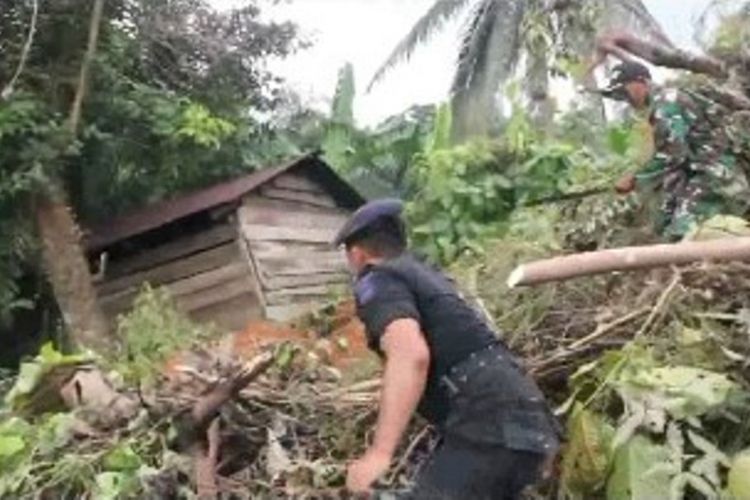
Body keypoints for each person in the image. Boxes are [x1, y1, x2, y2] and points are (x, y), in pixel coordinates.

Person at [334, 199, 559, 500]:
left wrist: (379, 453)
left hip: (488, 425)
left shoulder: (378, 279)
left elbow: (410, 355)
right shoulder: (429, 277)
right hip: (529, 422)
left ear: (358, 255)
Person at [600, 61, 750, 239]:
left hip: (718, 178)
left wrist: (635, 178)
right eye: (617, 95)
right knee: (667, 226)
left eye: (623, 91)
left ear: (642, 82)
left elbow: (672, 156)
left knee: (682, 232)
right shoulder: (663, 103)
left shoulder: (668, 103)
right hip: (704, 175)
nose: (623, 98)